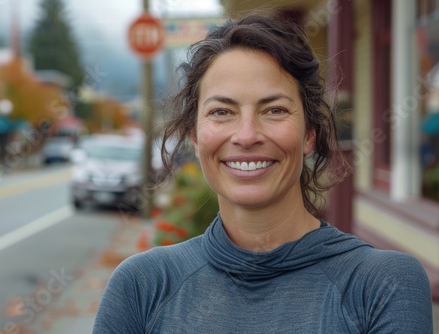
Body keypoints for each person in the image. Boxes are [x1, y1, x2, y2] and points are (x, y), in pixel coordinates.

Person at [93, 14, 433, 333]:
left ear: (309, 134)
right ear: (196, 137)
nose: (246, 134)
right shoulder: (141, 286)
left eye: (274, 110)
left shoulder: (383, 284)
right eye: (222, 111)